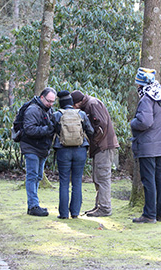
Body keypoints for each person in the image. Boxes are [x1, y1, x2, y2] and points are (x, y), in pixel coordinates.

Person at [130, 67, 161, 224]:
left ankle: (149, 214)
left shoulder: (146, 99)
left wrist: (132, 122)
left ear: (141, 84)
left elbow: (144, 122)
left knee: (148, 180)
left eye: (138, 84)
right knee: (159, 178)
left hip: (147, 146)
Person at [71, 90, 119, 217]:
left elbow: (101, 125)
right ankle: (99, 205)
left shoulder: (92, 104)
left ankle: (105, 208)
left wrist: (94, 140)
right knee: (97, 177)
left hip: (104, 146)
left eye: (73, 105)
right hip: (100, 146)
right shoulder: (89, 104)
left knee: (103, 177)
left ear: (77, 103)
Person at [51, 91, 94, 219]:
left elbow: (50, 130)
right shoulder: (81, 114)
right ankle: (75, 213)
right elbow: (91, 130)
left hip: (63, 150)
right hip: (80, 150)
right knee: (77, 181)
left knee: (64, 182)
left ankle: (63, 214)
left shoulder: (57, 115)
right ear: (71, 102)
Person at [20, 87, 56, 217]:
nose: (50, 104)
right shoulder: (33, 109)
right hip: (31, 147)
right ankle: (33, 205)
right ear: (42, 97)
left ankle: (33, 205)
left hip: (42, 148)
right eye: (49, 101)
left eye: (53, 102)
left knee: (38, 177)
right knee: (32, 176)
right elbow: (29, 129)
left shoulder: (48, 110)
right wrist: (48, 129)